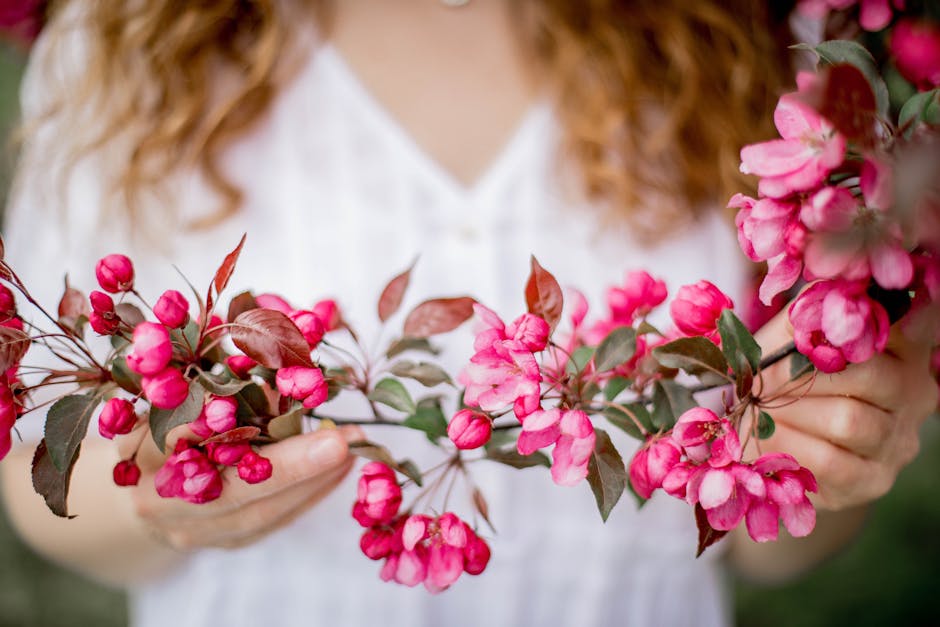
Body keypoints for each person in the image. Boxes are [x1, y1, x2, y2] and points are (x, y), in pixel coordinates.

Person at [0, 2, 935, 626]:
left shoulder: (742, 41)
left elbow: (758, 545)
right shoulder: (121, 44)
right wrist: (161, 505)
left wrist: (829, 461)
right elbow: (39, 493)